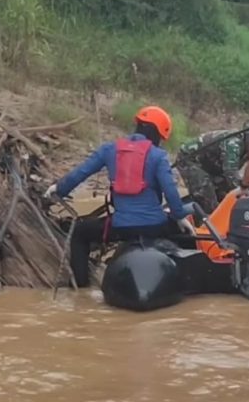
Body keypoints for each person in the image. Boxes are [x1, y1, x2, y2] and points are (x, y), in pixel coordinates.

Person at [45, 106, 194, 287]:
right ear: (157, 134)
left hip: (120, 227)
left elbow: (80, 173)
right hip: (155, 227)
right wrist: (179, 217)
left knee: (80, 233)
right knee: (186, 233)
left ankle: (80, 287)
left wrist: (58, 189)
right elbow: (170, 191)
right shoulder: (158, 156)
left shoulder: (109, 149)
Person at [176, 125, 249, 213]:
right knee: (206, 196)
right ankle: (196, 215)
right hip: (190, 159)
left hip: (211, 164)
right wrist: (244, 194)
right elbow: (230, 173)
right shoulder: (233, 143)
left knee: (223, 192)